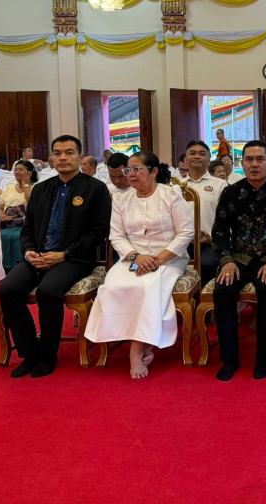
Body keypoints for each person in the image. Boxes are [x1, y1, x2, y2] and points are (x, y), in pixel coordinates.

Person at [0, 135, 111, 378]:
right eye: (57, 153)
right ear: (51, 158)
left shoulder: (95, 189)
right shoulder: (41, 190)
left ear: (80, 157)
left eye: (69, 153)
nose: (63, 158)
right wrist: (28, 251)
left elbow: (98, 232)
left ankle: (48, 356)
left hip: (75, 259)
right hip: (38, 256)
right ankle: (30, 353)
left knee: (48, 291)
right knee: (7, 289)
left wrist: (64, 254)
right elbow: (28, 229)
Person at [85, 152, 193, 379]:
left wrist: (158, 260)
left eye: (136, 169)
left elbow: (185, 233)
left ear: (154, 171)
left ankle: (137, 347)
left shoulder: (171, 194)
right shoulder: (122, 200)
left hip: (169, 258)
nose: (131, 174)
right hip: (133, 258)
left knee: (147, 287)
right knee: (112, 286)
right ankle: (138, 340)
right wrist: (136, 257)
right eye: (128, 170)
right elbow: (116, 236)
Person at [212, 140, 266, 381]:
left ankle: (263, 359)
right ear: (242, 163)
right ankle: (229, 359)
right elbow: (219, 232)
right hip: (238, 258)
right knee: (223, 290)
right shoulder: (231, 192)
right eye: (248, 160)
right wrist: (226, 261)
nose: (254, 164)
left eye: (260, 159)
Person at [183, 139, 227, 285]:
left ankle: (205, 299)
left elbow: (226, 218)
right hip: (180, 243)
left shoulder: (220, 184)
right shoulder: (176, 185)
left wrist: (213, 238)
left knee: (206, 265)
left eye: (202, 154)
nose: (197, 156)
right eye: (192, 153)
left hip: (209, 242)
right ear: (186, 159)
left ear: (209, 160)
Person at [0, 160, 37, 271]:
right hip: (7, 222)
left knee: (17, 236)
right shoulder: (9, 188)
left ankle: (19, 268)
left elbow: (32, 203)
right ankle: (3, 268)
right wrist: (2, 215)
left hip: (25, 222)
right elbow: (0, 206)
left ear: (30, 172)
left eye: (21, 170)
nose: (17, 172)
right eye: (15, 170)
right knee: (0, 236)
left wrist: (25, 184)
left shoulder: (36, 187)